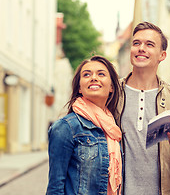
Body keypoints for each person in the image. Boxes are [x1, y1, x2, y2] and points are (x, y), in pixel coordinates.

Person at [115, 21, 170, 195]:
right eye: (136, 43)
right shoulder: (113, 94)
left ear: (162, 55)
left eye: (149, 44)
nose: (141, 48)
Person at [46, 55, 122, 195]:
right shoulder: (66, 127)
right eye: (86, 74)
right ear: (80, 88)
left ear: (111, 87)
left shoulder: (113, 129)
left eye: (101, 74)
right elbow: (55, 188)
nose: (93, 77)